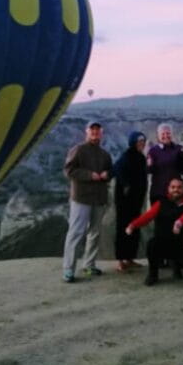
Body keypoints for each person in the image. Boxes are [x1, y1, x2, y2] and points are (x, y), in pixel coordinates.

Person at [62, 121, 113, 283]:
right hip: (81, 198)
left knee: (95, 233)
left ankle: (89, 264)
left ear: (102, 133)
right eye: (92, 130)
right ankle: (68, 269)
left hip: (98, 198)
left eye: (98, 130)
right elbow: (69, 170)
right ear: (86, 132)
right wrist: (89, 175)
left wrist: (107, 174)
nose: (95, 133)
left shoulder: (105, 154)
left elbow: (111, 171)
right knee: (76, 232)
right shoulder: (79, 150)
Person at [126, 177, 183, 285]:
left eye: (179, 187)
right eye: (173, 187)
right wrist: (133, 225)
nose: (176, 190)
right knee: (151, 245)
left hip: (181, 244)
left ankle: (176, 266)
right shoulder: (161, 203)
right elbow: (147, 217)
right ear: (168, 189)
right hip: (162, 241)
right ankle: (153, 274)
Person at [113, 131, 148, 272]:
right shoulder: (127, 156)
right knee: (123, 228)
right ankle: (121, 260)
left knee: (134, 227)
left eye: (143, 142)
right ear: (133, 142)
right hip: (124, 200)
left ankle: (130, 258)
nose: (142, 144)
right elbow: (116, 170)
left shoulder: (140, 157)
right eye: (139, 142)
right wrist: (126, 185)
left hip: (136, 199)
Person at [147, 123, 183, 203]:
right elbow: (149, 170)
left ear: (172, 135)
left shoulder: (178, 149)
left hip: (175, 192)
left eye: (168, 133)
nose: (166, 136)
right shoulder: (153, 151)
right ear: (158, 136)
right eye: (163, 134)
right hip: (158, 191)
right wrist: (149, 164)